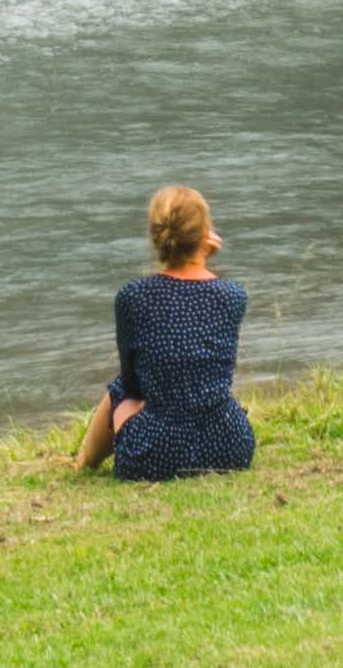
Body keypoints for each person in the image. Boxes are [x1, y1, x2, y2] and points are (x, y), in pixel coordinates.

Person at [88, 179, 254, 481]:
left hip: (156, 456)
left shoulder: (133, 296)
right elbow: (203, 296)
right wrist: (203, 260)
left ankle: (82, 464)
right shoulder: (233, 296)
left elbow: (131, 383)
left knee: (119, 391)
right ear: (206, 236)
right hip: (229, 447)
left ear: (156, 237)